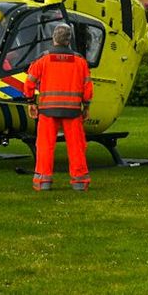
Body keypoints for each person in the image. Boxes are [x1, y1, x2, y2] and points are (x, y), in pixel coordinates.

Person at [22, 24, 94, 192]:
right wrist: (86, 106)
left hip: (47, 111)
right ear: (69, 40)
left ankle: (43, 182)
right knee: (77, 146)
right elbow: (88, 88)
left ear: (54, 38)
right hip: (73, 111)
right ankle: (80, 182)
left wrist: (31, 102)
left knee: (45, 146)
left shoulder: (43, 59)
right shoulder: (80, 61)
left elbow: (29, 82)